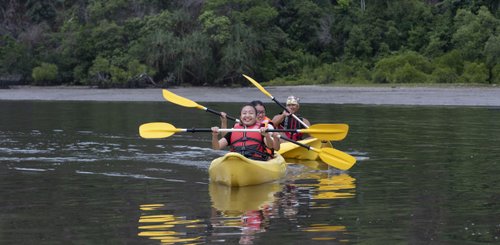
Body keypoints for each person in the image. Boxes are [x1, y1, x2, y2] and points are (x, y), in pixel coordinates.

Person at [211, 104, 280, 160]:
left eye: (251, 113)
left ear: (256, 117)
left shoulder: (261, 130)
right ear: (240, 117)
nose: (247, 115)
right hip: (235, 160)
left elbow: (271, 146)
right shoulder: (234, 130)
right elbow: (216, 147)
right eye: (244, 113)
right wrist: (214, 136)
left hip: (255, 160)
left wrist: (266, 135)